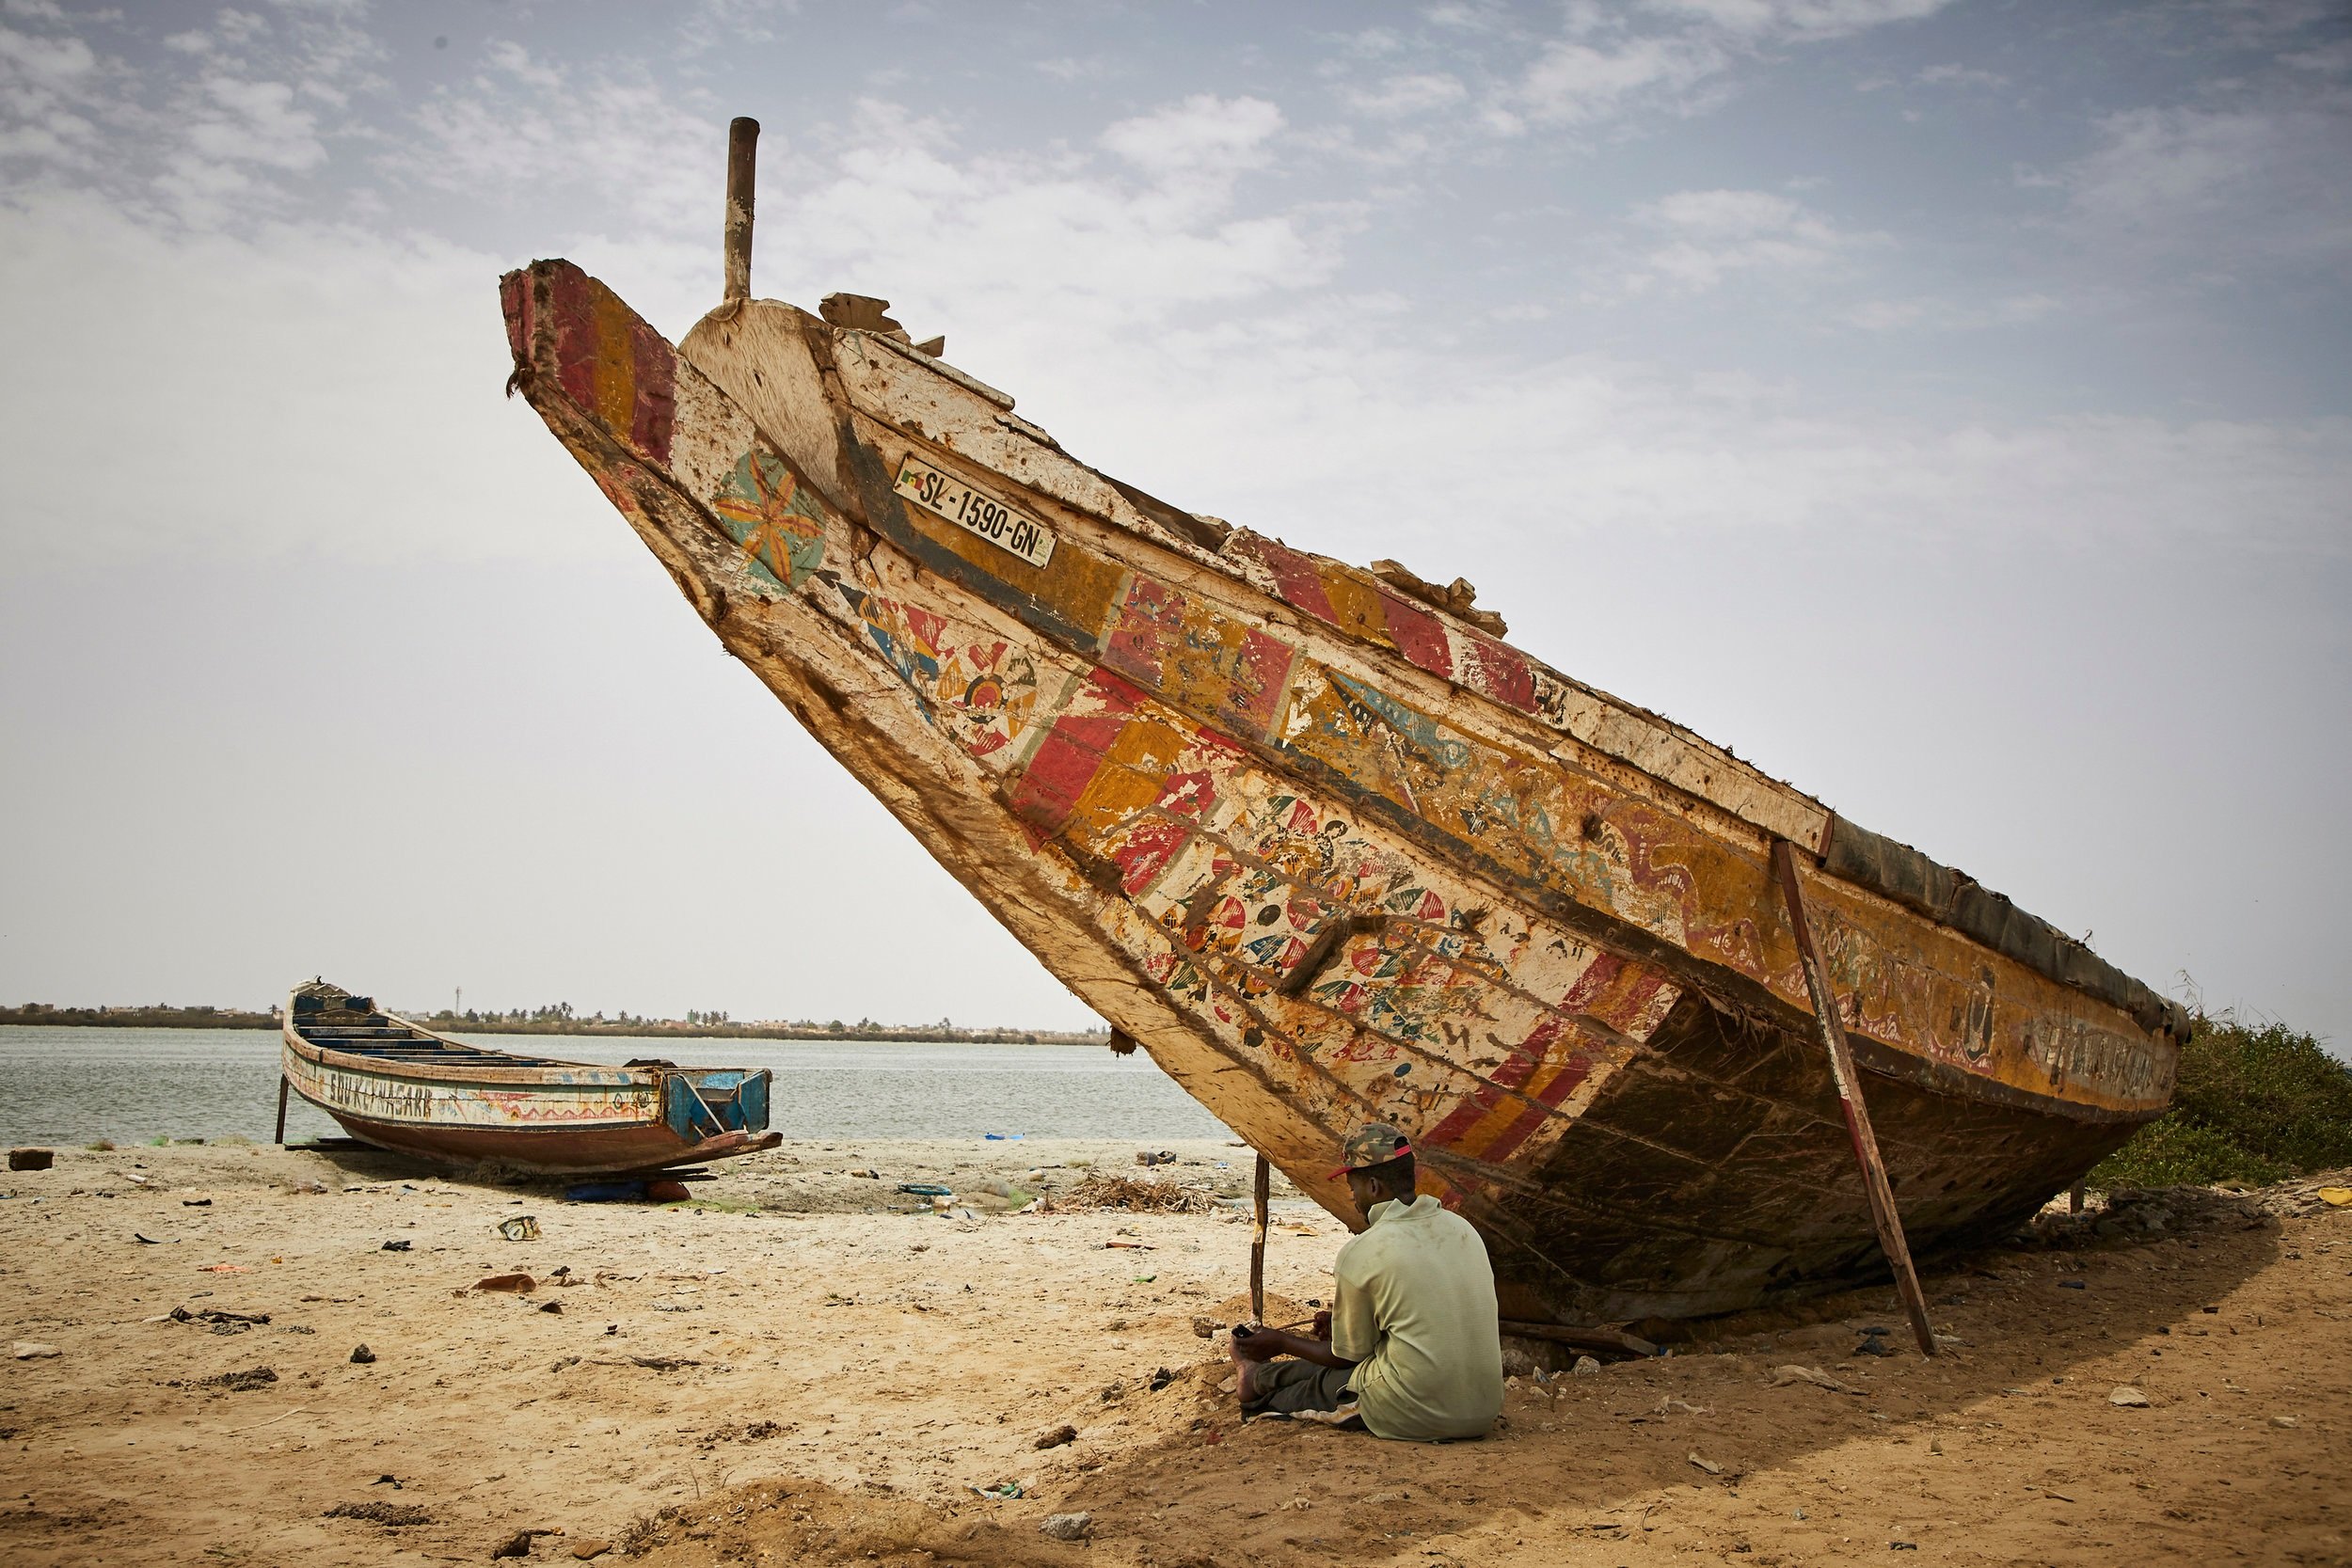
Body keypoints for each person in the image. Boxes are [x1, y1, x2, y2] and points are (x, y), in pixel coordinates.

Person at [1230, 1123, 1503, 1441]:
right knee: (1344, 1373)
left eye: (1353, 1189)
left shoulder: (1365, 1249)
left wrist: (1282, 1343)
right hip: (1484, 1407)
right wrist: (1342, 1325)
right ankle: (1256, 1375)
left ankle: (1258, 1386)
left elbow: (1347, 1357)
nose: (1354, 1200)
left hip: (1419, 1412)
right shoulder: (1462, 1229)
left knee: (1316, 1390)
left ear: (1373, 1187)